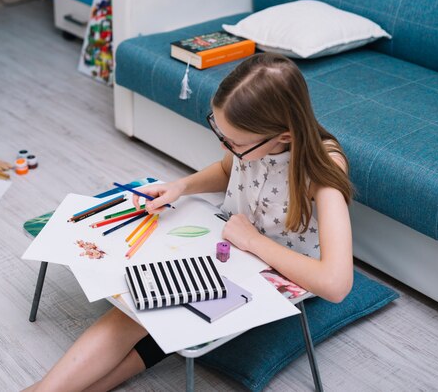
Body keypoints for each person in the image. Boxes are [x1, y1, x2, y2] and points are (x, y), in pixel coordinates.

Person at [24, 53, 354, 392]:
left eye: (235, 143)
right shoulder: (251, 142)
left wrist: (254, 242)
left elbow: (336, 283)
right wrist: (180, 187)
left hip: (277, 277)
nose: (227, 146)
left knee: (151, 309)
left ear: (283, 136)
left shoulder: (323, 168)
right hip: (230, 251)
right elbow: (229, 169)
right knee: (143, 298)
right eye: (221, 133)